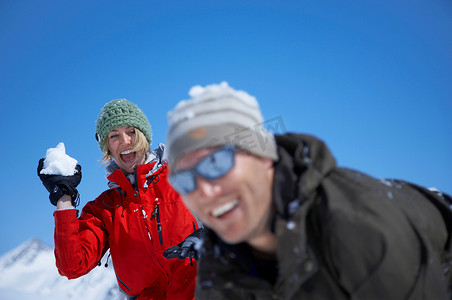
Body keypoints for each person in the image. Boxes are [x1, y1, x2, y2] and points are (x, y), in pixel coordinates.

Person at [164, 82, 452, 299]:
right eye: (185, 179)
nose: (205, 190)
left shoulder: (360, 228)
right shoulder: (220, 263)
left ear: (264, 156)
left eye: (216, 162)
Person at [37, 99, 199, 300]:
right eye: (114, 136)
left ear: (144, 136)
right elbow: (72, 266)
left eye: (131, 132)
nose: (125, 141)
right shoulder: (104, 209)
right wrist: (63, 198)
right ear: (107, 147)